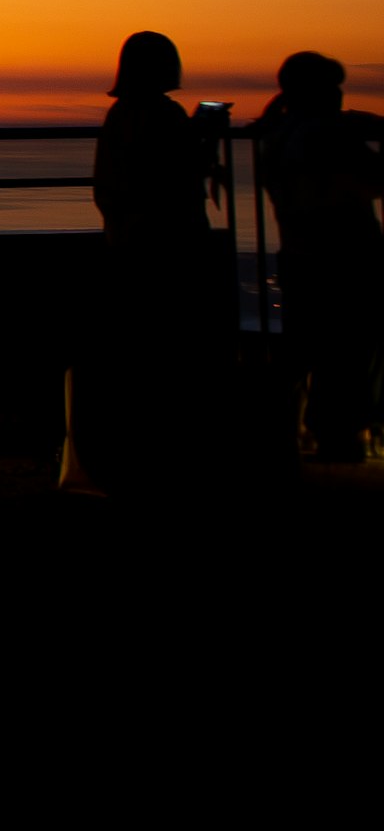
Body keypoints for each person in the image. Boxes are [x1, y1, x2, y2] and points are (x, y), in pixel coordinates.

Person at [68, 30, 222, 496]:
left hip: (128, 239)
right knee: (169, 341)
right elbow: (178, 171)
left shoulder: (121, 114)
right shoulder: (163, 115)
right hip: (166, 241)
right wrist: (206, 136)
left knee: (141, 339)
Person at [254, 52, 381, 465]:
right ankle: (337, 440)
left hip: (299, 255)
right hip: (341, 259)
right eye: (333, 87)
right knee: (345, 354)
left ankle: (289, 436)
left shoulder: (277, 134)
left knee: (305, 350)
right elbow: (373, 178)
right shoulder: (327, 137)